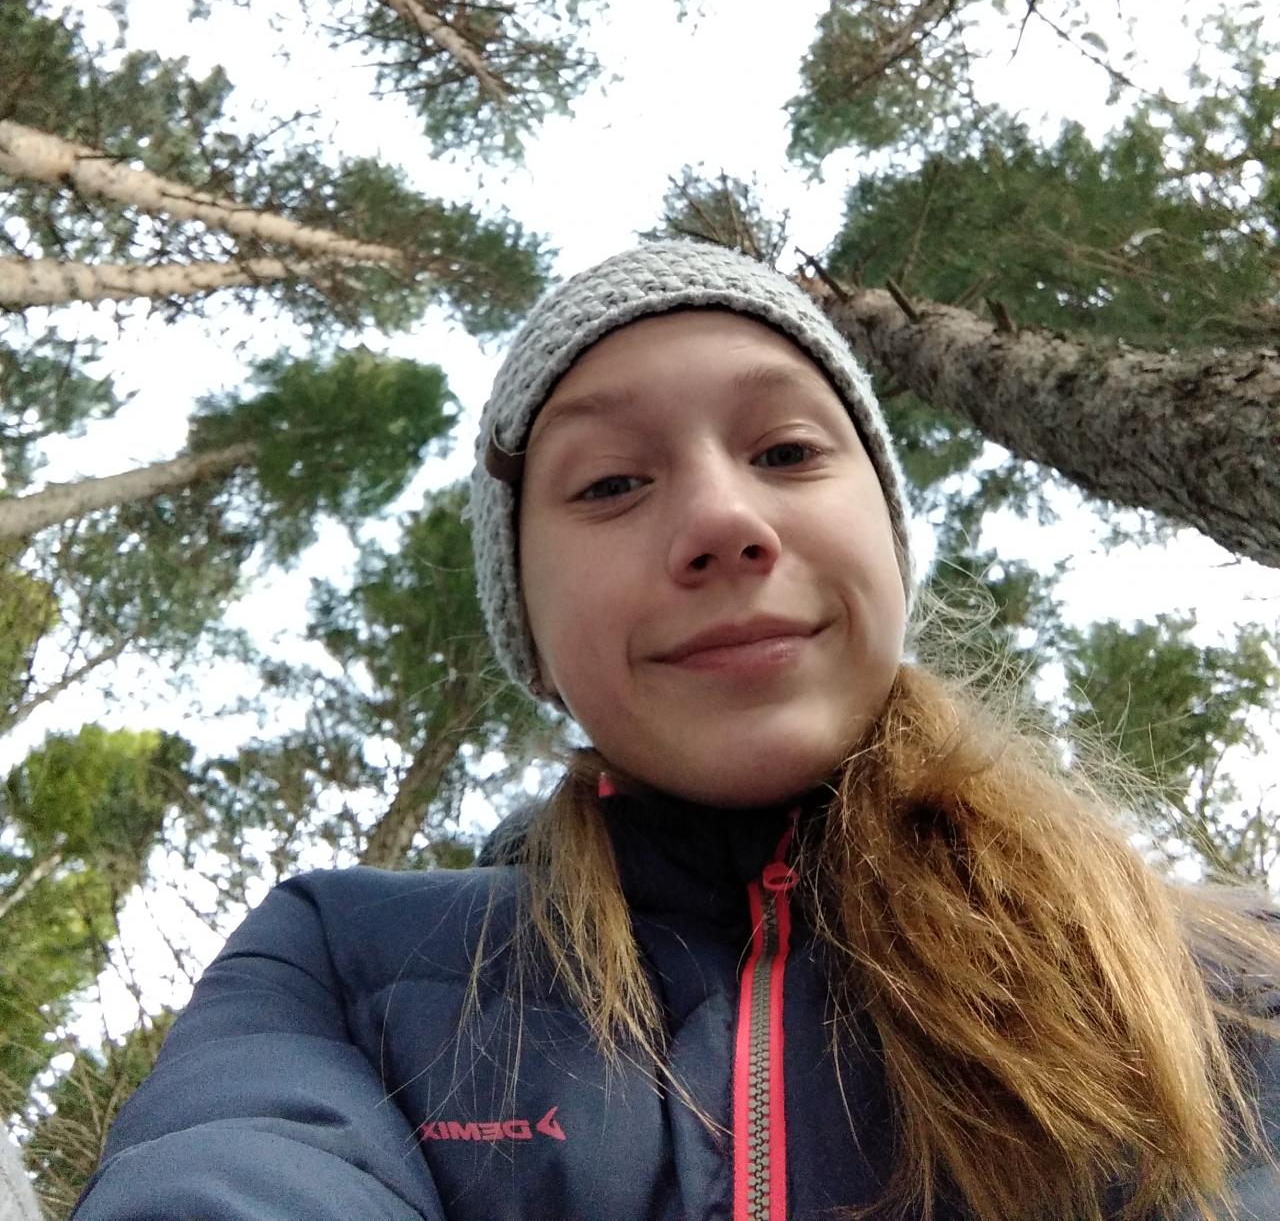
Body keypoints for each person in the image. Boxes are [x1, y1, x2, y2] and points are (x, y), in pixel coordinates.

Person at [72, 239, 1280, 1221]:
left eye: (786, 450)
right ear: (532, 631)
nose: (721, 518)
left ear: (885, 537)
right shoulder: (343, 962)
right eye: (609, 482)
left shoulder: (1227, 974)